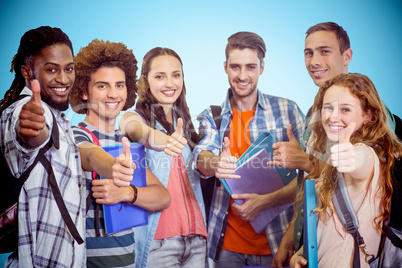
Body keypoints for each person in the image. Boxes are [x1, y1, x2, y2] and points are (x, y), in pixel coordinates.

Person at [271, 22, 402, 268]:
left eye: (324, 51)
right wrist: (295, 245)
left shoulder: (370, 110)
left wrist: (340, 158)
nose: (314, 61)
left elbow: (369, 161)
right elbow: (314, 192)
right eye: (308, 53)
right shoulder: (314, 115)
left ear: (346, 56)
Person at [193, 31, 305, 267]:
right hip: (226, 250)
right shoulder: (212, 117)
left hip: (278, 246)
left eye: (250, 67)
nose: (242, 76)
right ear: (225, 67)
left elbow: (311, 175)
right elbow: (201, 157)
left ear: (262, 67)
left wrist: (265, 201)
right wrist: (216, 164)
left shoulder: (287, 111)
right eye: (235, 67)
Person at [69, 39, 171, 267]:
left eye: (120, 85)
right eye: (102, 86)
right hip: (86, 261)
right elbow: (89, 154)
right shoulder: (76, 134)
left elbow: (163, 197)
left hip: (127, 260)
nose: (113, 94)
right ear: (84, 92)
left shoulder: (124, 141)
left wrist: (126, 193)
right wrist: (112, 166)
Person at [289, 73, 402, 268]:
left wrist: (350, 156)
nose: (333, 116)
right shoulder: (330, 163)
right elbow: (327, 226)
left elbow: (360, 161)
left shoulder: (367, 154)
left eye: (345, 109)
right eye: (328, 107)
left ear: (369, 116)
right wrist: (299, 254)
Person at [0, 26, 86, 267]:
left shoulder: (58, 116)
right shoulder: (24, 110)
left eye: (69, 68)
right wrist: (31, 130)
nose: (64, 79)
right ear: (27, 71)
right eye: (51, 69)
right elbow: (31, 134)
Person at [120, 47, 208, 268]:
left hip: (197, 239)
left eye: (175, 75)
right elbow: (132, 127)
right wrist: (159, 139)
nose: (170, 83)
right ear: (146, 81)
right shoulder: (135, 117)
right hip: (159, 243)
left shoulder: (185, 126)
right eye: (160, 76)